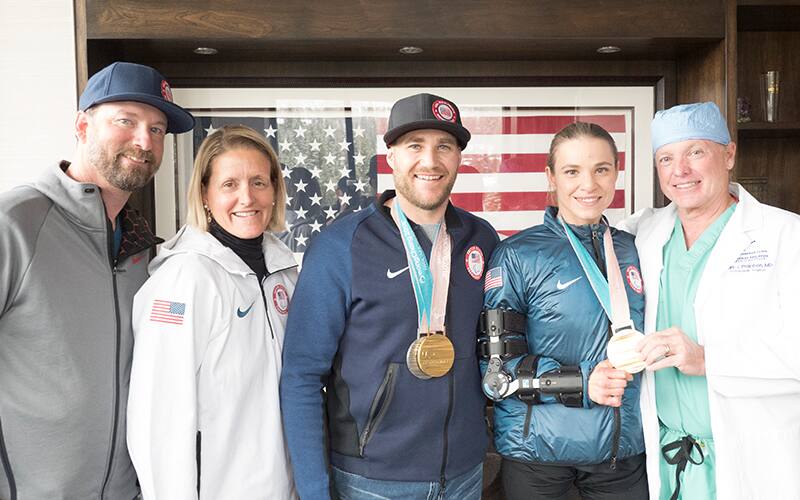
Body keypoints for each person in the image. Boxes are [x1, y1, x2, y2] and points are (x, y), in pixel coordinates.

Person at [279, 93, 499, 500]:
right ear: (392, 156)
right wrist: (313, 490)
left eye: (444, 147)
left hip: (466, 473)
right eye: (415, 145)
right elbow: (301, 376)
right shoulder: (341, 246)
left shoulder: (481, 239)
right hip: (372, 481)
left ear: (458, 159)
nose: (430, 161)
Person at [0, 62, 194, 499]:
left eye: (158, 129)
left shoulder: (148, 250)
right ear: (82, 126)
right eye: (126, 121)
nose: (144, 141)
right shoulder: (15, 224)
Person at [621, 102, 800, 499]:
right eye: (666, 158)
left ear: (729, 154)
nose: (680, 170)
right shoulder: (643, 232)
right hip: (671, 464)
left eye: (696, 152)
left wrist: (707, 358)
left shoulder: (786, 236)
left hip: (754, 460)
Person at [127, 125, 298, 499]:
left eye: (258, 182)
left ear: (274, 191)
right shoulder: (185, 277)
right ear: (204, 194)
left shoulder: (285, 272)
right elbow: (158, 416)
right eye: (229, 184)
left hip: (282, 486)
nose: (247, 197)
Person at [481, 122, 648, 499]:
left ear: (616, 174)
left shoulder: (636, 250)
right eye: (572, 171)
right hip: (538, 457)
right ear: (551, 177)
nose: (588, 185)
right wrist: (582, 382)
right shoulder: (516, 256)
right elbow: (496, 375)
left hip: (622, 455)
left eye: (601, 169)